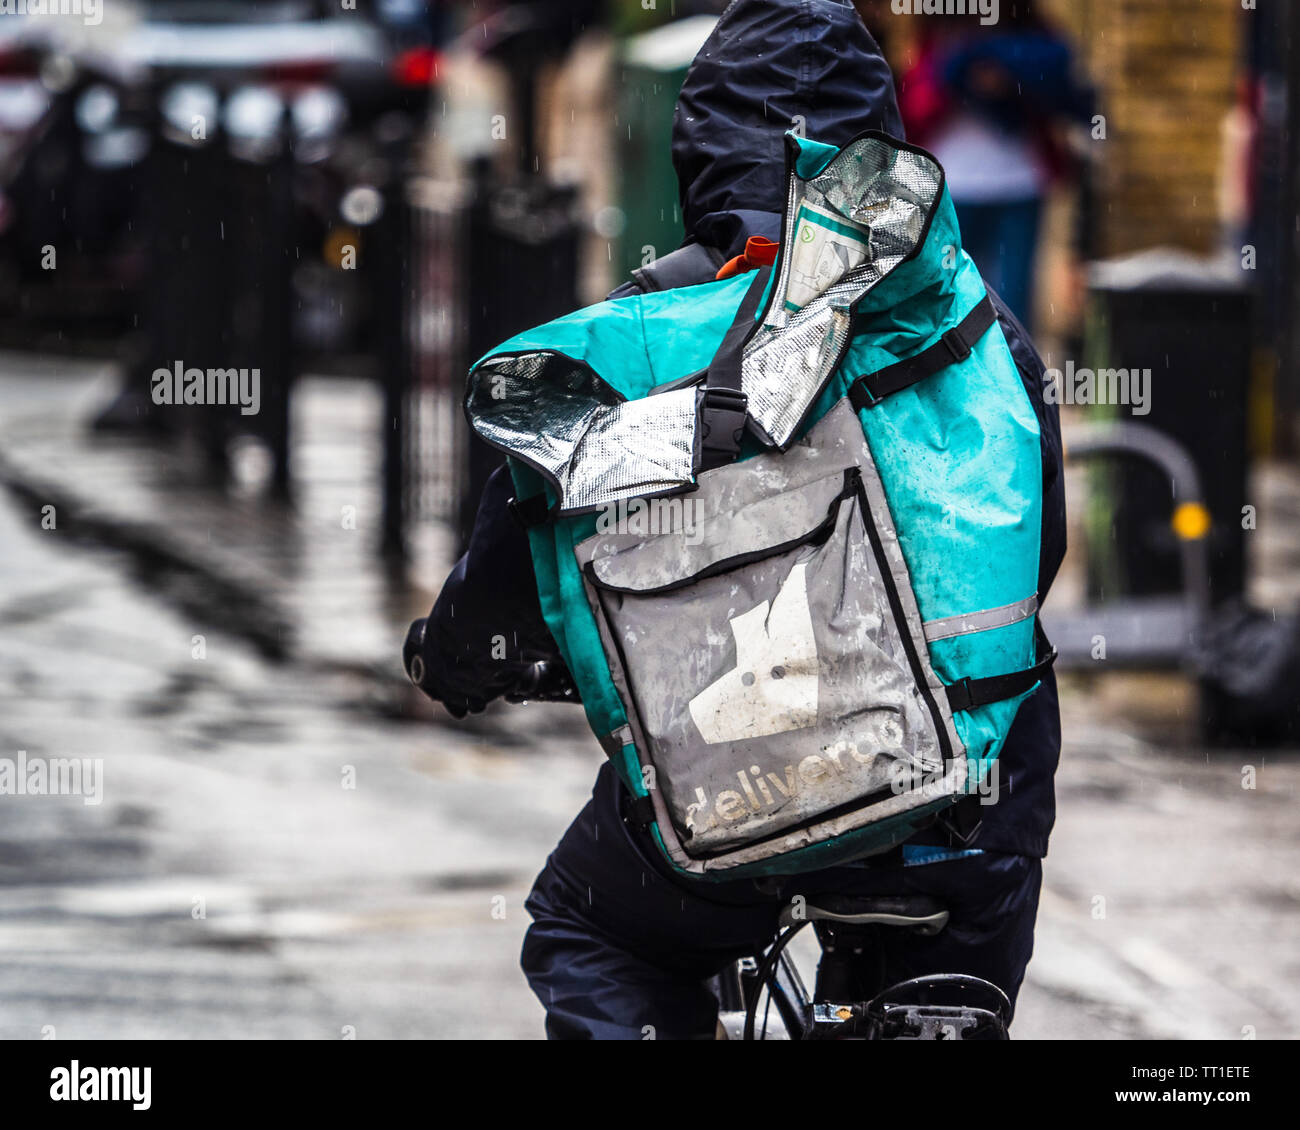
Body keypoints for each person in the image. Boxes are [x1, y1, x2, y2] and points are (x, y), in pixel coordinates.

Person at [404, 0, 1065, 1039]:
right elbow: (1038, 546)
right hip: (965, 813)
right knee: (953, 973)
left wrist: (461, 658)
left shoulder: (637, 344)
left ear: (699, 149)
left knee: (589, 929)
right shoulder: (973, 323)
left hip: (734, 802)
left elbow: (510, 564)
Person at [896, 3, 1093, 331]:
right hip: (949, 189)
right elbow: (912, 109)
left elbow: (1065, 89)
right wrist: (959, 75)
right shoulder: (938, 36)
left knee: (1012, 308)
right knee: (947, 301)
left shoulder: (1032, 36)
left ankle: (1014, 379)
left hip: (1019, 185)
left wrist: (1011, 75)